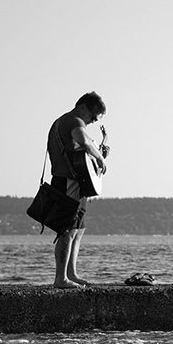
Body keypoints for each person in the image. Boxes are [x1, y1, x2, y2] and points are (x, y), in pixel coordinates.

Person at [47, 91, 109, 288]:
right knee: (67, 230)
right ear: (83, 107)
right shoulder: (73, 121)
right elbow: (82, 139)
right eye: (92, 117)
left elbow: (80, 150)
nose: (92, 121)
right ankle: (61, 279)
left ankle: (71, 274)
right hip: (67, 182)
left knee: (78, 230)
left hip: (75, 182)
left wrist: (97, 152)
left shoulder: (70, 122)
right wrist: (99, 157)